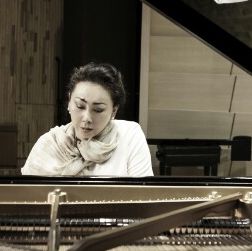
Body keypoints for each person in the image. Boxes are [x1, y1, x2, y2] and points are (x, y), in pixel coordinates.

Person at [21, 62, 154, 177]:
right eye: (80, 106)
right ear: (69, 102)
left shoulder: (129, 135)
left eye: (98, 110)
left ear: (114, 110)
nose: (87, 118)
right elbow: (28, 194)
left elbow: (143, 193)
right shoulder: (49, 144)